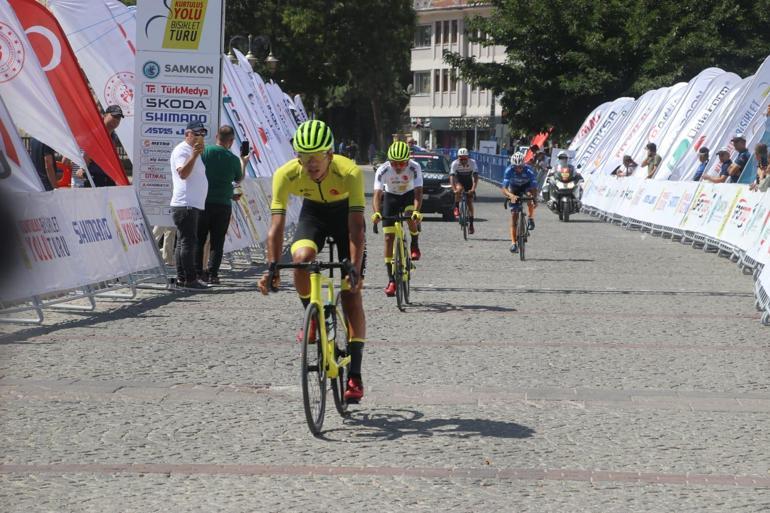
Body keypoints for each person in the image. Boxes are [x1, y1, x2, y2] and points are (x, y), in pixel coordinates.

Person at [258, 120, 367, 403]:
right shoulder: (286, 175)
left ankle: (355, 375)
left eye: (316, 158)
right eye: (304, 159)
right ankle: (314, 316)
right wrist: (271, 267)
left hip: (344, 219)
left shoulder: (349, 172)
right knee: (300, 259)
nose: (310, 165)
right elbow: (276, 226)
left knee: (351, 295)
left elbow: (357, 226)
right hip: (313, 216)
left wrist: (354, 268)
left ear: (329, 155)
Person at [195, 125, 246, 285]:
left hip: (202, 202)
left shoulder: (205, 152)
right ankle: (213, 274)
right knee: (217, 241)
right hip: (223, 203)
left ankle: (198, 272)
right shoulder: (232, 159)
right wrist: (243, 162)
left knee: (199, 239)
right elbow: (238, 179)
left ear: (217, 136)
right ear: (231, 141)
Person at [371, 141, 424, 297]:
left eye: (402, 163)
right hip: (391, 197)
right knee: (388, 237)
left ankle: (414, 244)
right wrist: (376, 213)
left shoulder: (415, 167)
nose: (399, 167)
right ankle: (391, 280)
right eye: (395, 163)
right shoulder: (383, 170)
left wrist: (416, 211)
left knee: (409, 217)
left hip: (408, 196)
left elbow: (418, 192)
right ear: (389, 161)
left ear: (408, 160)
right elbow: (377, 195)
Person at [170, 120, 209, 289]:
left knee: (183, 242)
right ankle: (190, 278)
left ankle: (182, 278)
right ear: (187, 134)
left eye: (202, 134)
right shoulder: (182, 150)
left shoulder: (194, 152)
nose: (200, 137)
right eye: (197, 133)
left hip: (191, 203)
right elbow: (183, 174)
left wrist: (196, 155)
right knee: (188, 242)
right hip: (185, 204)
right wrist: (193, 156)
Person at [77, 105, 124, 187]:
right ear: (105, 115)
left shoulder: (113, 136)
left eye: (119, 118)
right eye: (114, 116)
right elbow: (87, 155)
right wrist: (82, 168)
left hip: (108, 178)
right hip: (95, 178)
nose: (117, 120)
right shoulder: (97, 133)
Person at [502, 152, 538, 253]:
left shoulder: (529, 170)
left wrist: (534, 198)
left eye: (521, 167)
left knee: (530, 198)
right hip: (514, 189)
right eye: (516, 167)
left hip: (526, 187)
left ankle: (531, 218)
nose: (518, 169)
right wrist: (510, 195)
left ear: (524, 165)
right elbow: (504, 188)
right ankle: (513, 243)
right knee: (514, 215)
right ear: (512, 166)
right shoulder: (509, 170)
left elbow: (534, 187)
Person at [449, 147, 479, 234]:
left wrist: (473, 189)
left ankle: (471, 224)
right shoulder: (454, 163)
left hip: (468, 181)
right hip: (459, 180)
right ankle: (457, 207)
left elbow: (475, 177)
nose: (462, 160)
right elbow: (452, 177)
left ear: (468, 157)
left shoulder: (472, 163)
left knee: (469, 202)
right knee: (459, 190)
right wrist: (454, 189)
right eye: (460, 158)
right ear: (458, 158)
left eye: (464, 158)